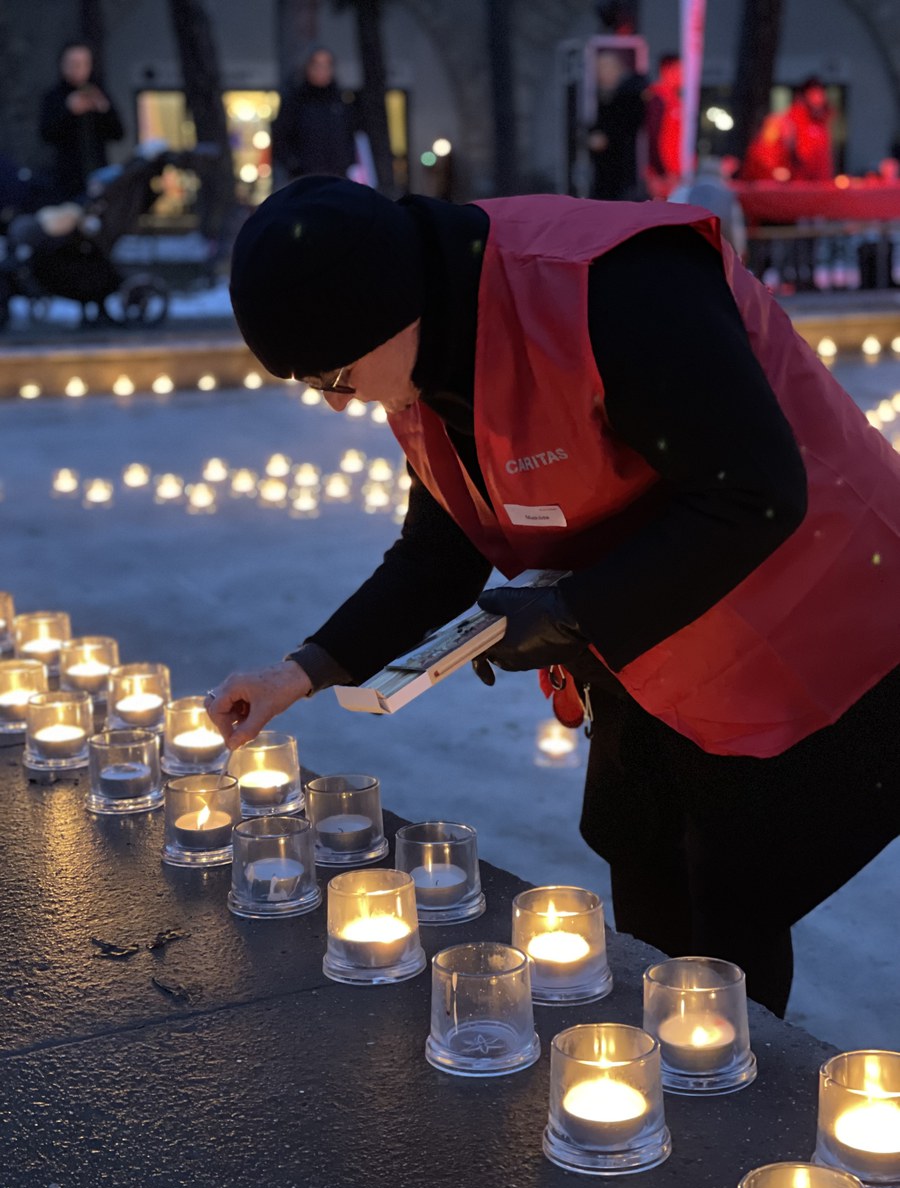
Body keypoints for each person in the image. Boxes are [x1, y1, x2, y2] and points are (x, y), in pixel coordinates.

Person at [211, 176, 900, 1019]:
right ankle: (668, 1053)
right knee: (640, 844)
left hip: (818, 610)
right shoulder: (418, 351)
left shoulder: (613, 290)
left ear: (390, 309)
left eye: (336, 375)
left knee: (731, 895)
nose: (333, 400)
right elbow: (444, 545)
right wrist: (303, 671)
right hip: (655, 629)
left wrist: (572, 613)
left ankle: (724, 1080)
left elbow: (754, 495)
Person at [39, 41, 124, 201]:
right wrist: (68, 111)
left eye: (84, 63)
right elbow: (46, 134)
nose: (79, 69)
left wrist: (103, 109)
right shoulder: (54, 97)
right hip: (66, 180)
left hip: (98, 174)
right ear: (63, 65)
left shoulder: (98, 92)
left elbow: (118, 134)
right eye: (74, 63)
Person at [271, 46, 357, 185]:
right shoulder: (295, 101)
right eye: (317, 65)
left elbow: (351, 135)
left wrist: (348, 162)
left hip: (337, 178)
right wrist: (294, 165)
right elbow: (280, 138)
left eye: (326, 66)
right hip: (304, 179)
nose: (321, 71)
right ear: (308, 68)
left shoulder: (341, 102)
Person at [586, 50, 646, 201]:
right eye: (599, 69)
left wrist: (605, 137)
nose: (602, 73)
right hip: (606, 172)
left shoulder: (628, 96)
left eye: (606, 67)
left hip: (621, 171)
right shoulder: (602, 97)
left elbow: (627, 125)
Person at [645, 53, 682, 199]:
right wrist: (660, 171)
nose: (683, 75)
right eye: (680, 70)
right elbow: (653, 135)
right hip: (664, 173)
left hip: (675, 172)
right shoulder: (657, 99)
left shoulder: (674, 100)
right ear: (667, 70)